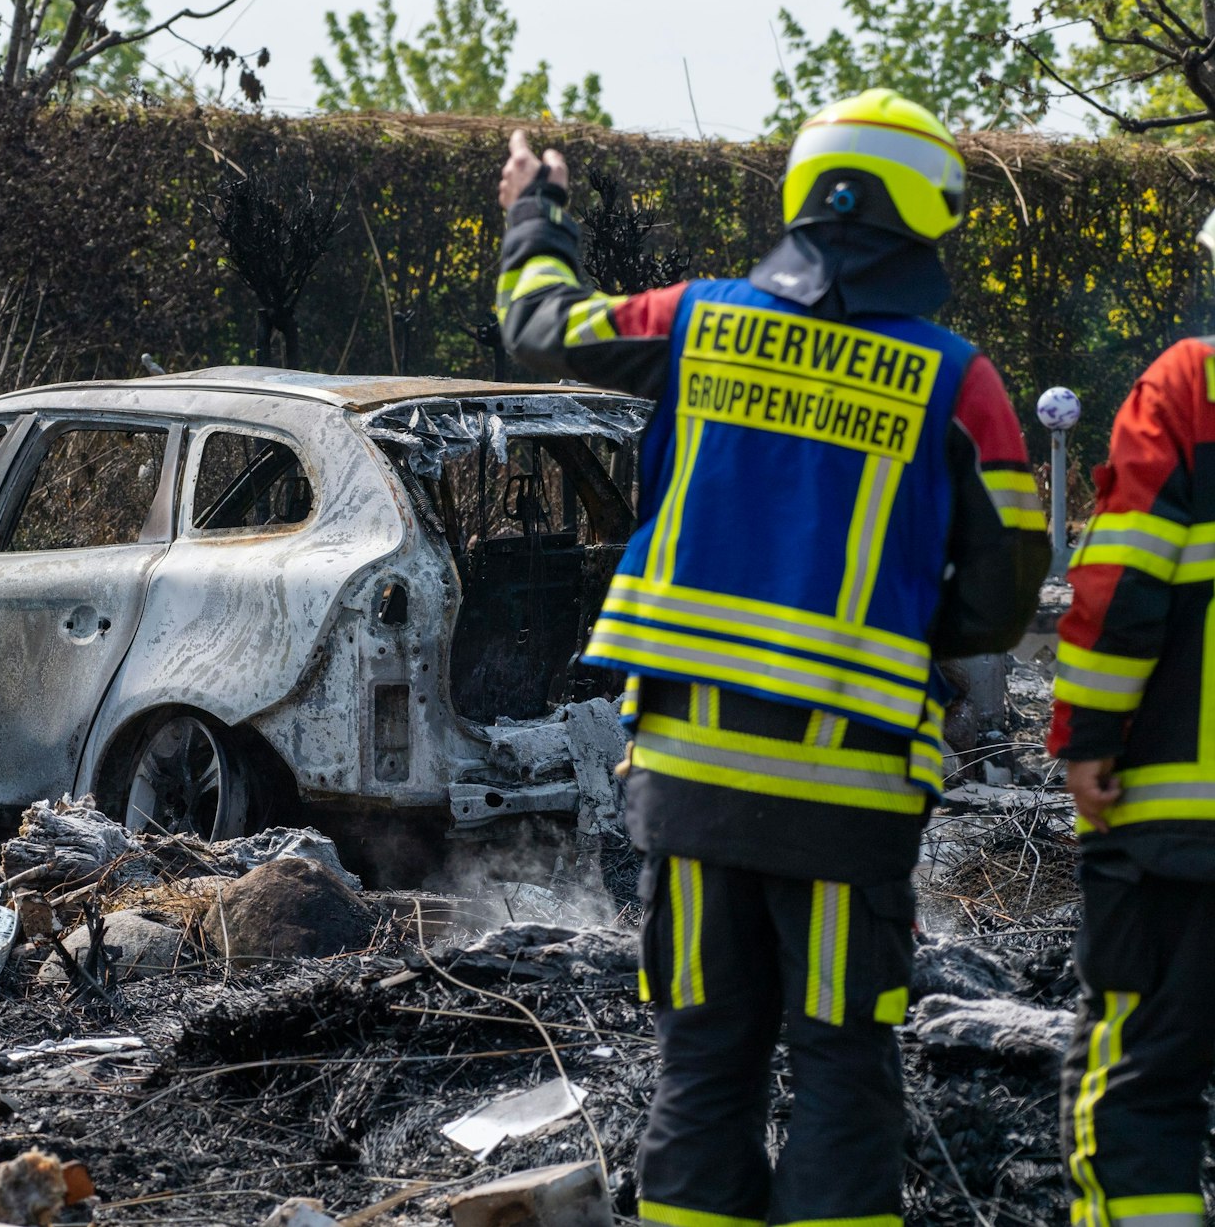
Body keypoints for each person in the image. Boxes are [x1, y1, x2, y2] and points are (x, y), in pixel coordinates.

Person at [495, 88, 1049, 1226]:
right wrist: (903, 627)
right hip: (846, 798)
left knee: (703, 1056)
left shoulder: (697, 321)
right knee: (842, 1066)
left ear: (807, 192)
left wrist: (533, 212)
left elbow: (541, 324)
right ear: (921, 217)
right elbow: (999, 595)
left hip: (689, 785)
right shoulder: (960, 382)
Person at [1047, 206, 1215, 1227]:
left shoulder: (1189, 386)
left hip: (1180, 832)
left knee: (1139, 1091)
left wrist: (1086, 741)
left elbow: (1114, 583)